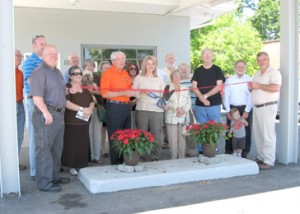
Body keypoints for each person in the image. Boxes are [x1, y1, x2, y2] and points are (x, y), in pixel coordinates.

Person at [30, 45, 70, 192]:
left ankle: (54, 176)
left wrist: (70, 90)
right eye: (50, 54)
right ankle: (44, 183)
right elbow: (37, 97)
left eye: (55, 54)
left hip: (59, 114)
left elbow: (61, 90)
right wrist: (46, 113)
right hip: (46, 114)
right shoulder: (38, 72)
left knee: (56, 148)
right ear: (43, 55)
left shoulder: (57, 71)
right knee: (44, 149)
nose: (54, 56)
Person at [248, 52, 282, 170]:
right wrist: (251, 88)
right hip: (257, 108)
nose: (261, 62)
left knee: (268, 135)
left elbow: (276, 88)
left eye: (263, 60)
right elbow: (255, 88)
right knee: (258, 134)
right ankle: (261, 156)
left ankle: (268, 160)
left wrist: (258, 86)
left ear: (268, 60)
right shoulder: (257, 73)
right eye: (259, 60)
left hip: (268, 107)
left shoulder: (274, 73)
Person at [100, 51, 134, 164]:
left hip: (126, 107)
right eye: (119, 59)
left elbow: (129, 90)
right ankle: (115, 164)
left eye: (124, 59)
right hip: (114, 107)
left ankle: (125, 161)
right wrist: (123, 93)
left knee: (126, 135)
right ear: (113, 61)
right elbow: (104, 94)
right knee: (115, 137)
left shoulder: (125, 73)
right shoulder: (107, 74)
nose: (122, 61)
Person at [61, 66, 94, 176]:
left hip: (84, 120)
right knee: (73, 143)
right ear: (70, 76)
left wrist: (89, 109)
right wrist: (82, 109)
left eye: (80, 73)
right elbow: (66, 103)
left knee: (83, 142)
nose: (79, 75)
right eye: (75, 74)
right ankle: (72, 165)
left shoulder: (84, 87)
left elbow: (91, 101)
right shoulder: (66, 87)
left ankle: (82, 164)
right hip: (72, 121)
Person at [23, 34, 47, 181]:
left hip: (45, 102)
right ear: (34, 46)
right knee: (34, 137)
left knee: (45, 137)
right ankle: (34, 170)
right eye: (40, 44)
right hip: (34, 102)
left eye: (45, 44)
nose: (43, 46)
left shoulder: (45, 62)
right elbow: (32, 82)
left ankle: (45, 167)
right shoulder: (29, 62)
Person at [133, 55, 165, 161]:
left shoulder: (159, 79)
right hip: (142, 109)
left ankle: (155, 156)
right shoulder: (138, 78)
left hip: (157, 111)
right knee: (142, 134)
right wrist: (141, 91)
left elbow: (163, 96)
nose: (151, 66)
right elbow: (133, 93)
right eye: (148, 64)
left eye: (153, 64)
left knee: (156, 134)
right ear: (144, 65)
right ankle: (142, 156)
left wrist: (164, 103)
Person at [192, 48, 225, 149]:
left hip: (214, 105)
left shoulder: (217, 69)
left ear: (212, 56)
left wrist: (205, 96)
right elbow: (194, 86)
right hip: (200, 106)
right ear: (202, 57)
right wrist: (202, 99)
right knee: (201, 129)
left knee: (213, 129)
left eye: (209, 54)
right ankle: (201, 151)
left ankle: (212, 150)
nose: (207, 56)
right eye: (205, 54)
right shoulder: (197, 71)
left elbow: (219, 86)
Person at [223, 60, 253, 158]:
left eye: (242, 67)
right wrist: (227, 110)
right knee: (230, 129)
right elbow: (226, 95)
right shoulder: (229, 80)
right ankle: (229, 151)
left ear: (245, 68)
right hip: (232, 109)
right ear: (235, 68)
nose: (240, 68)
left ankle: (244, 153)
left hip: (245, 108)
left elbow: (251, 95)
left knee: (246, 130)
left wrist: (247, 110)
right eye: (238, 67)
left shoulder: (249, 79)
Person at [165, 70, 191, 159]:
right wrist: (175, 109)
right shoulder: (167, 88)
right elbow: (164, 102)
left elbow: (189, 103)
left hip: (183, 117)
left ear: (181, 78)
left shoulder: (185, 88)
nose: (177, 78)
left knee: (182, 138)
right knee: (172, 139)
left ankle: (182, 157)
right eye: (175, 76)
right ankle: (173, 157)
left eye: (178, 76)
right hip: (171, 116)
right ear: (171, 78)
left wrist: (183, 110)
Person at [82, 59, 102, 164]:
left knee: (97, 132)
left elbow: (102, 92)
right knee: (87, 132)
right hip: (84, 108)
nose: (90, 68)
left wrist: (93, 90)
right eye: (88, 66)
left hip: (97, 106)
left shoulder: (97, 77)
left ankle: (96, 156)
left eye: (92, 66)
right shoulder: (79, 77)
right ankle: (88, 156)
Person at [178, 62, 198, 157]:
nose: (184, 70)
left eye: (185, 69)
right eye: (181, 69)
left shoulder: (193, 81)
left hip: (192, 109)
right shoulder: (177, 81)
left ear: (189, 70)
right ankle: (183, 151)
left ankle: (192, 152)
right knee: (182, 132)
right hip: (181, 110)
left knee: (191, 131)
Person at [15, 49, 26, 170]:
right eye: (17, 56)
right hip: (8, 106)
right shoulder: (4, 71)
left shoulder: (20, 73)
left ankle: (15, 161)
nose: (20, 58)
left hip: (19, 103)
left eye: (20, 56)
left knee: (19, 135)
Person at [98, 61, 111, 158]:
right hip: (101, 105)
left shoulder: (112, 78)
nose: (106, 70)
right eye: (104, 68)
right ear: (101, 69)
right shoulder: (98, 79)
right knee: (103, 129)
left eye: (108, 68)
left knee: (111, 129)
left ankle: (112, 148)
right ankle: (103, 148)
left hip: (112, 105)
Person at [126, 63, 139, 129]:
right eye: (131, 69)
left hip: (138, 104)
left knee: (137, 126)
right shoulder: (125, 79)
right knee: (129, 126)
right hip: (127, 104)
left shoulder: (140, 79)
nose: (133, 70)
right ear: (128, 69)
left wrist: (136, 101)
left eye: (135, 69)